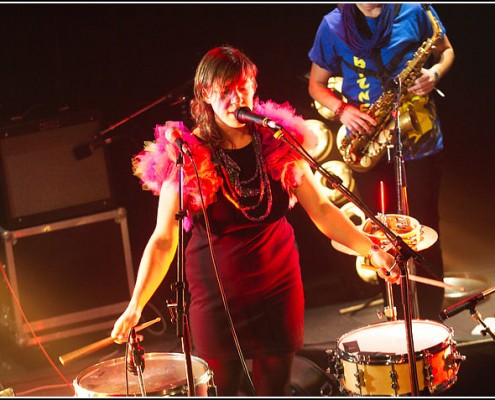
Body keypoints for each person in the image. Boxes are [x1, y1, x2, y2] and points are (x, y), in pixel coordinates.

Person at [111, 45, 399, 396]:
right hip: (218, 296)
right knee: (224, 389)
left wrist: (371, 251)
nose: (237, 97)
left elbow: (322, 210)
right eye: (226, 90)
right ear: (204, 93)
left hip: (277, 285)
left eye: (244, 87)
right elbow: (163, 239)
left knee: (274, 387)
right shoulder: (186, 154)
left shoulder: (277, 139)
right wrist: (136, 305)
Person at [308, 3, 455, 321]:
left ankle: (430, 316)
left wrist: (433, 73)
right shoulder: (333, 25)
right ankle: (397, 311)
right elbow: (316, 85)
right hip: (368, 141)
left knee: (425, 226)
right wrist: (342, 110)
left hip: (418, 136)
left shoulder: (414, 11)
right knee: (380, 232)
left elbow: (445, 51)